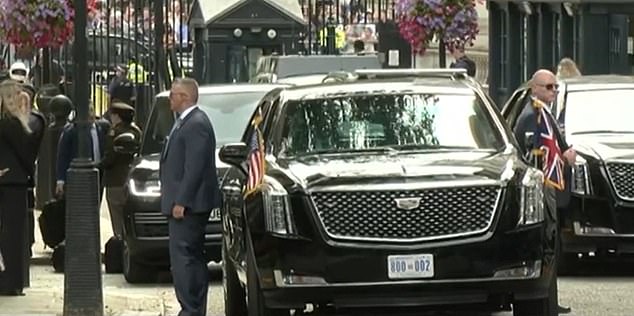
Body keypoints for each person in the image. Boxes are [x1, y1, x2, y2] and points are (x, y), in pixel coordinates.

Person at [513, 69, 576, 315]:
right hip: (542, 191)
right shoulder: (532, 116)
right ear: (535, 88)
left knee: (552, 243)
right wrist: (564, 157)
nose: (554, 91)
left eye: (555, 87)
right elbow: (536, 159)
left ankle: (550, 299)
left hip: (549, 189)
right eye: (549, 87)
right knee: (547, 244)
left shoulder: (543, 112)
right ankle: (545, 301)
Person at [160, 78, 220, 316]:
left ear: (184, 97)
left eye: (173, 94)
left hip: (189, 206)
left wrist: (181, 201)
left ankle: (191, 309)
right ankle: (192, 308)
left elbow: (194, 168)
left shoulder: (196, 123)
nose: (170, 98)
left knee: (185, 259)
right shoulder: (183, 122)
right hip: (184, 203)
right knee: (187, 257)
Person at [0, 79, 33, 296]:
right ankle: (12, 281)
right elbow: (27, 155)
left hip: (10, 180)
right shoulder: (15, 125)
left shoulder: (10, 124)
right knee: (13, 236)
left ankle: (10, 281)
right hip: (14, 182)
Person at [100, 102, 141, 239]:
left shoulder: (114, 132)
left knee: (117, 218)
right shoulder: (136, 131)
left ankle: (119, 245)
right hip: (132, 179)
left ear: (117, 116)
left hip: (115, 180)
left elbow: (110, 157)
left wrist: (97, 165)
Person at [55, 103, 110, 200]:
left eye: (92, 110)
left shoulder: (100, 129)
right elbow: (62, 156)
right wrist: (61, 180)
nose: (91, 114)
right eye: (88, 111)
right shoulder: (71, 131)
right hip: (78, 176)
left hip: (98, 174)